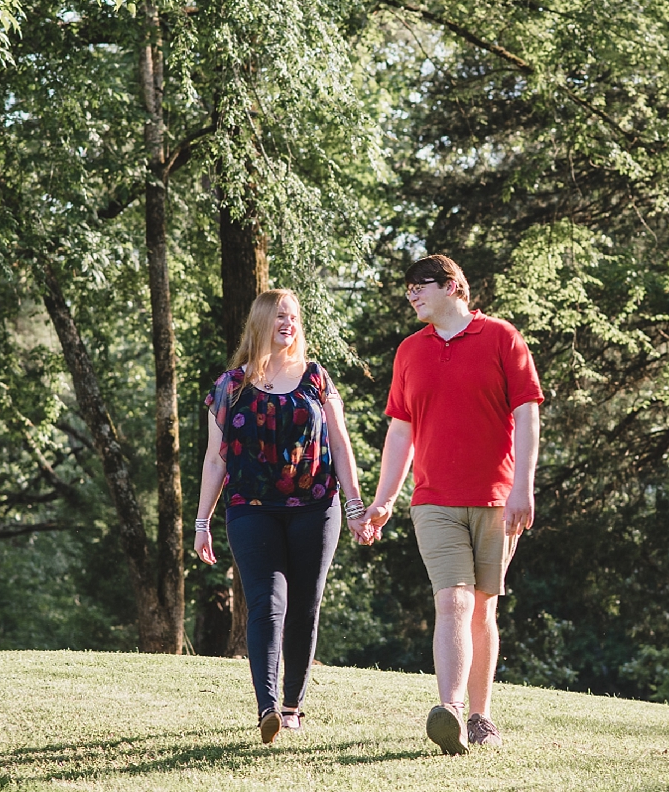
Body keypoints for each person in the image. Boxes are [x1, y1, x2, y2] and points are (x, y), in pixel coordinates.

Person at [359, 255, 544, 754]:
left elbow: (527, 416)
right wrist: (385, 500)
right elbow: (400, 431)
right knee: (453, 600)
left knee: (483, 608)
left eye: (419, 286)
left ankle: (483, 717)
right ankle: (452, 712)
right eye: (408, 290)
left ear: (452, 286)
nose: (411, 296)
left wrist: (523, 489)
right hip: (433, 499)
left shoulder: (502, 338)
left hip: (496, 498)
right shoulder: (409, 351)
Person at [194, 289, 371, 744]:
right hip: (250, 510)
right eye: (278, 317)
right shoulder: (230, 385)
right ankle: (268, 707)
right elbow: (215, 461)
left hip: (316, 507)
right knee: (267, 605)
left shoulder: (316, 378)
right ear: (260, 324)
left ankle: (293, 706)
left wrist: (355, 506)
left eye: (292, 316)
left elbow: (341, 442)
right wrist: (201, 523)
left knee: (305, 607)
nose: (287, 323)